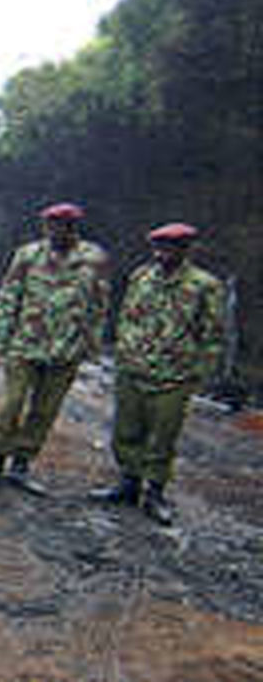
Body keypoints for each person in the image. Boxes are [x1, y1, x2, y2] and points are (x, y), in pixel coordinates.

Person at [89, 223, 225, 525]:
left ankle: (154, 493)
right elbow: (127, 315)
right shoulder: (141, 277)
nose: (161, 254)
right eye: (158, 248)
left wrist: (196, 373)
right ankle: (129, 484)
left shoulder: (205, 285)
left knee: (163, 436)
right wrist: (124, 351)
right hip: (133, 368)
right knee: (126, 430)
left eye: (169, 248)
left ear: (185, 249)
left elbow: (213, 336)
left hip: (174, 376)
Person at [0, 203, 109, 494]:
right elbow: (9, 296)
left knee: (44, 411)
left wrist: (91, 345)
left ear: (73, 228)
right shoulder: (28, 254)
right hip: (25, 343)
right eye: (50, 226)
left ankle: (21, 466)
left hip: (66, 349)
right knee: (13, 403)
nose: (55, 231)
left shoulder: (93, 258)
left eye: (62, 226)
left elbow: (98, 305)